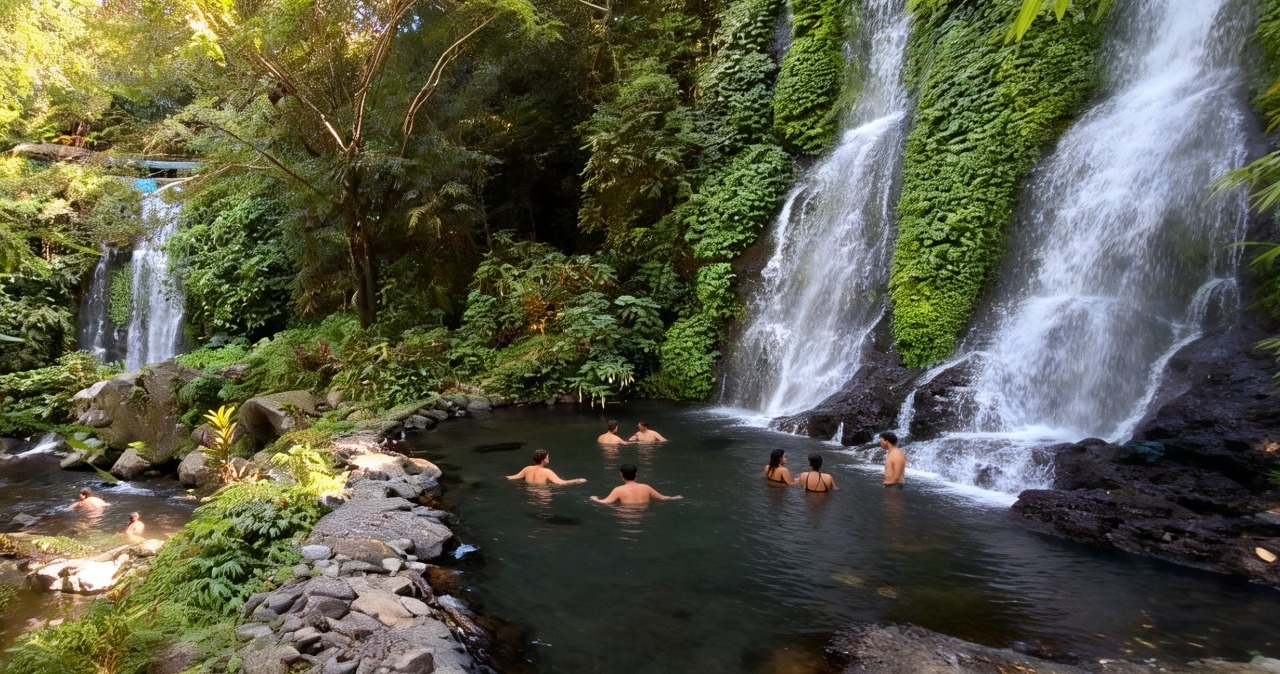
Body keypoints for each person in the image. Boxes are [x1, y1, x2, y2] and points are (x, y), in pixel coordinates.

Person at [590, 464, 682, 505]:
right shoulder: (646, 487)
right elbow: (662, 498)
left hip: (626, 517)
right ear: (636, 474)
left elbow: (606, 502)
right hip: (643, 515)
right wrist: (676, 497)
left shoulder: (618, 490)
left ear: (621, 475)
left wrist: (595, 499)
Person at [506, 449, 587, 485]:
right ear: (543, 459)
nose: (548, 459)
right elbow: (561, 483)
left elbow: (512, 478)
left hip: (530, 492)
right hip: (542, 494)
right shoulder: (547, 471)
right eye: (547, 457)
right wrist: (577, 480)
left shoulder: (527, 469)